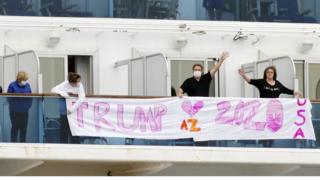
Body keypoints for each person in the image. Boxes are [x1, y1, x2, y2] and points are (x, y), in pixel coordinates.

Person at [238, 66, 303, 147]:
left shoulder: (278, 84)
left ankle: (270, 145)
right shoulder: (262, 82)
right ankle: (264, 144)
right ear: (265, 74)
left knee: (272, 129)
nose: (269, 73)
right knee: (264, 128)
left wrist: (296, 92)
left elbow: (287, 90)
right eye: (268, 72)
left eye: (271, 72)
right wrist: (243, 75)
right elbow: (250, 81)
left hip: (274, 112)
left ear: (274, 74)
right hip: (263, 111)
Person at [51, 72, 85, 144]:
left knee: (74, 129)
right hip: (64, 111)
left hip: (74, 111)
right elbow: (53, 89)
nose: (79, 83)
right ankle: (63, 145)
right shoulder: (65, 84)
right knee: (64, 129)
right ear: (72, 82)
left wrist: (72, 109)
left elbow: (82, 97)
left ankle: (77, 146)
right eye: (77, 81)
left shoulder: (79, 85)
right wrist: (63, 93)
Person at [7, 71, 32, 142]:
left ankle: (23, 145)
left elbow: (30, 97)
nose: (25, 81)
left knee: (23, 130)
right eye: (24, 80)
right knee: (15, 129)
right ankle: (13, 145)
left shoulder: (27, 85)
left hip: (24, 112)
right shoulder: (12, 85)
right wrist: (15, 107)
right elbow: (9, 98)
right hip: (14, 112)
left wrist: (27, 107)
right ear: (20, 79)